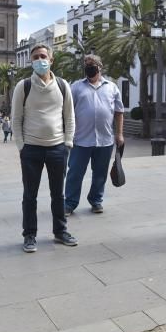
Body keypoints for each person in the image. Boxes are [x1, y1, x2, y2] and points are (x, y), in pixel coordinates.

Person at [11, 44, 77, 253]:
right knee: (29, 195)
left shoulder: (63, 85)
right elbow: (16, 119)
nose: (40, 60)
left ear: (51, 59)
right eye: (36, 57)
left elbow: (69, 116)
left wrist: (68, 142)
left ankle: (60, 231)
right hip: (31, 149)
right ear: (31, 61)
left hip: (58, 148)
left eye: (43, 56)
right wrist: (21, 146)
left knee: (58, 194)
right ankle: (29, 235)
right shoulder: (23, 86)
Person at [64, 54, 124, 215]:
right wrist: (67, 135)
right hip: (80, 140)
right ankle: (69, 203)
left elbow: (119, 112)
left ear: (100, 67)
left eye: (92, 64)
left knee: (100, 173)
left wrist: (119, 134)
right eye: (86, 64)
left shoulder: (112, 87)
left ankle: (96, 200)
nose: (89, 67)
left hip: (105, 140)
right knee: (75, 173)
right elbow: (67, 112)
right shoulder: (76, 87)